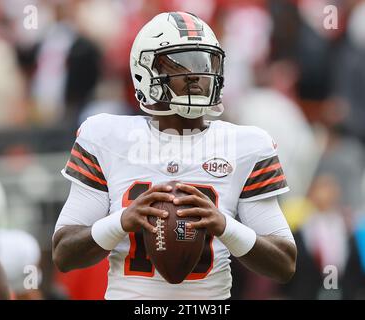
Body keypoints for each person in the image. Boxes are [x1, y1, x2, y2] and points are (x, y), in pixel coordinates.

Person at [52, 12, 296, 300]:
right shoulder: (105, 137)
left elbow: (284, 263)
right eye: (182, 63)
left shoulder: (246, 145)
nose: (197, 75)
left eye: (204, 62)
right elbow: (64, 254)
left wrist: (225, 226)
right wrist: (121, 221)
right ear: (145, 71)